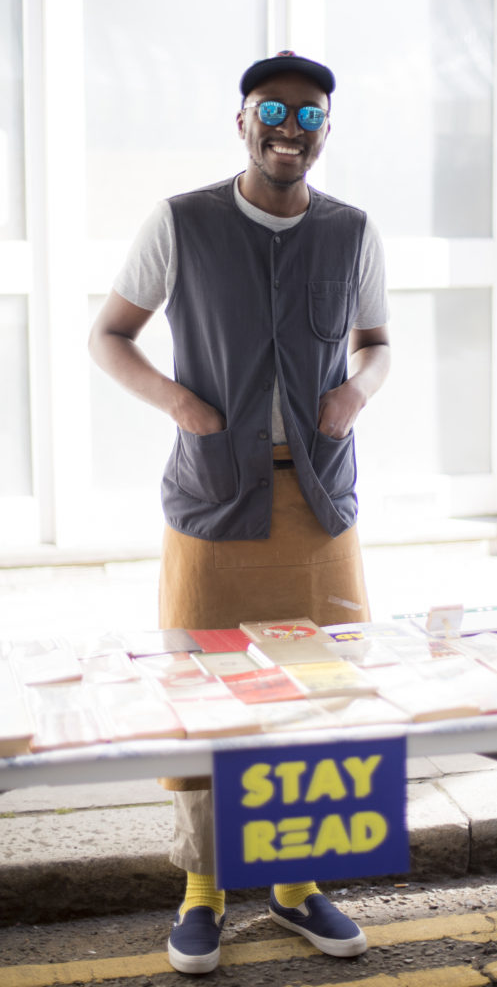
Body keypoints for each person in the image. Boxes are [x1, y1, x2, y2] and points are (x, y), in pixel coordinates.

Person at [88, 50, 390, 975]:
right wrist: (179, 403)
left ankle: (297, 884)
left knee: (321, 691)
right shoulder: (181, 222)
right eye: (273, 111)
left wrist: (357, 393)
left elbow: (376, 344)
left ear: (326, 131)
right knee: (202, 695)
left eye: (309, 116)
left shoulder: (352, 231)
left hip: (318, 499)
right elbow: (109, 335)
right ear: (243, 121)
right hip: (213, 498)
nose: (289, 129)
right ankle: (204, 890)